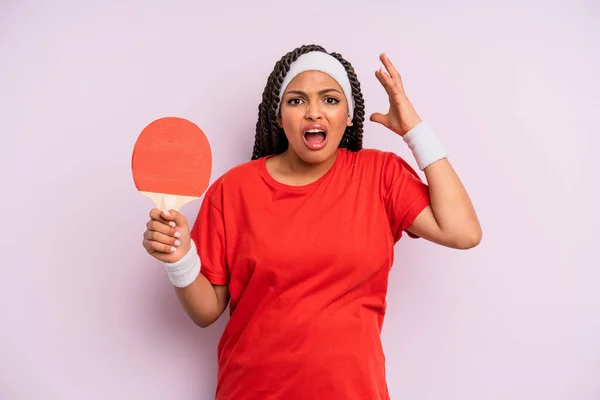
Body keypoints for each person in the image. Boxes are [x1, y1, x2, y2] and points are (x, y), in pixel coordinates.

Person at [141, 44, 482, 399]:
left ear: (349, 115)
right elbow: (206, 311)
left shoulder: (379, 176)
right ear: (278, 116)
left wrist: (414, 130)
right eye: (297, 100)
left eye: (331, 100)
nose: (314, 112)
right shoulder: (234, 190)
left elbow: (463, 231)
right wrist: (179, 260)